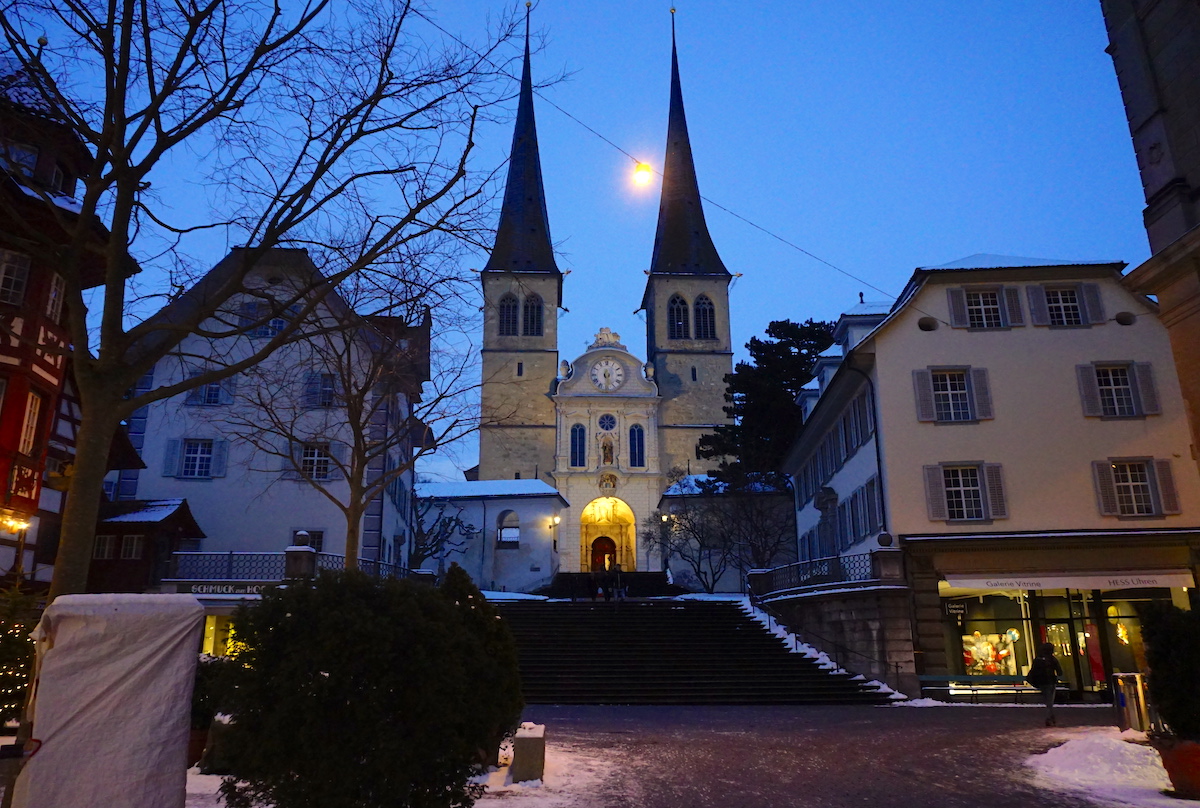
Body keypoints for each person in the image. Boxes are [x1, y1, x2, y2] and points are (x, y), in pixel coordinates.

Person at [1026, 642, 1064, 726]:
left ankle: (1050, 716)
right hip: (1050, 682)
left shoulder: (1038, 659)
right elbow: (1060, 672)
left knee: (1047, 700)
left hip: (1041, 683)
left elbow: (1033, 670)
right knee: (1050, 701)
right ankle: (1049, 717)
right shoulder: (1052, 659)